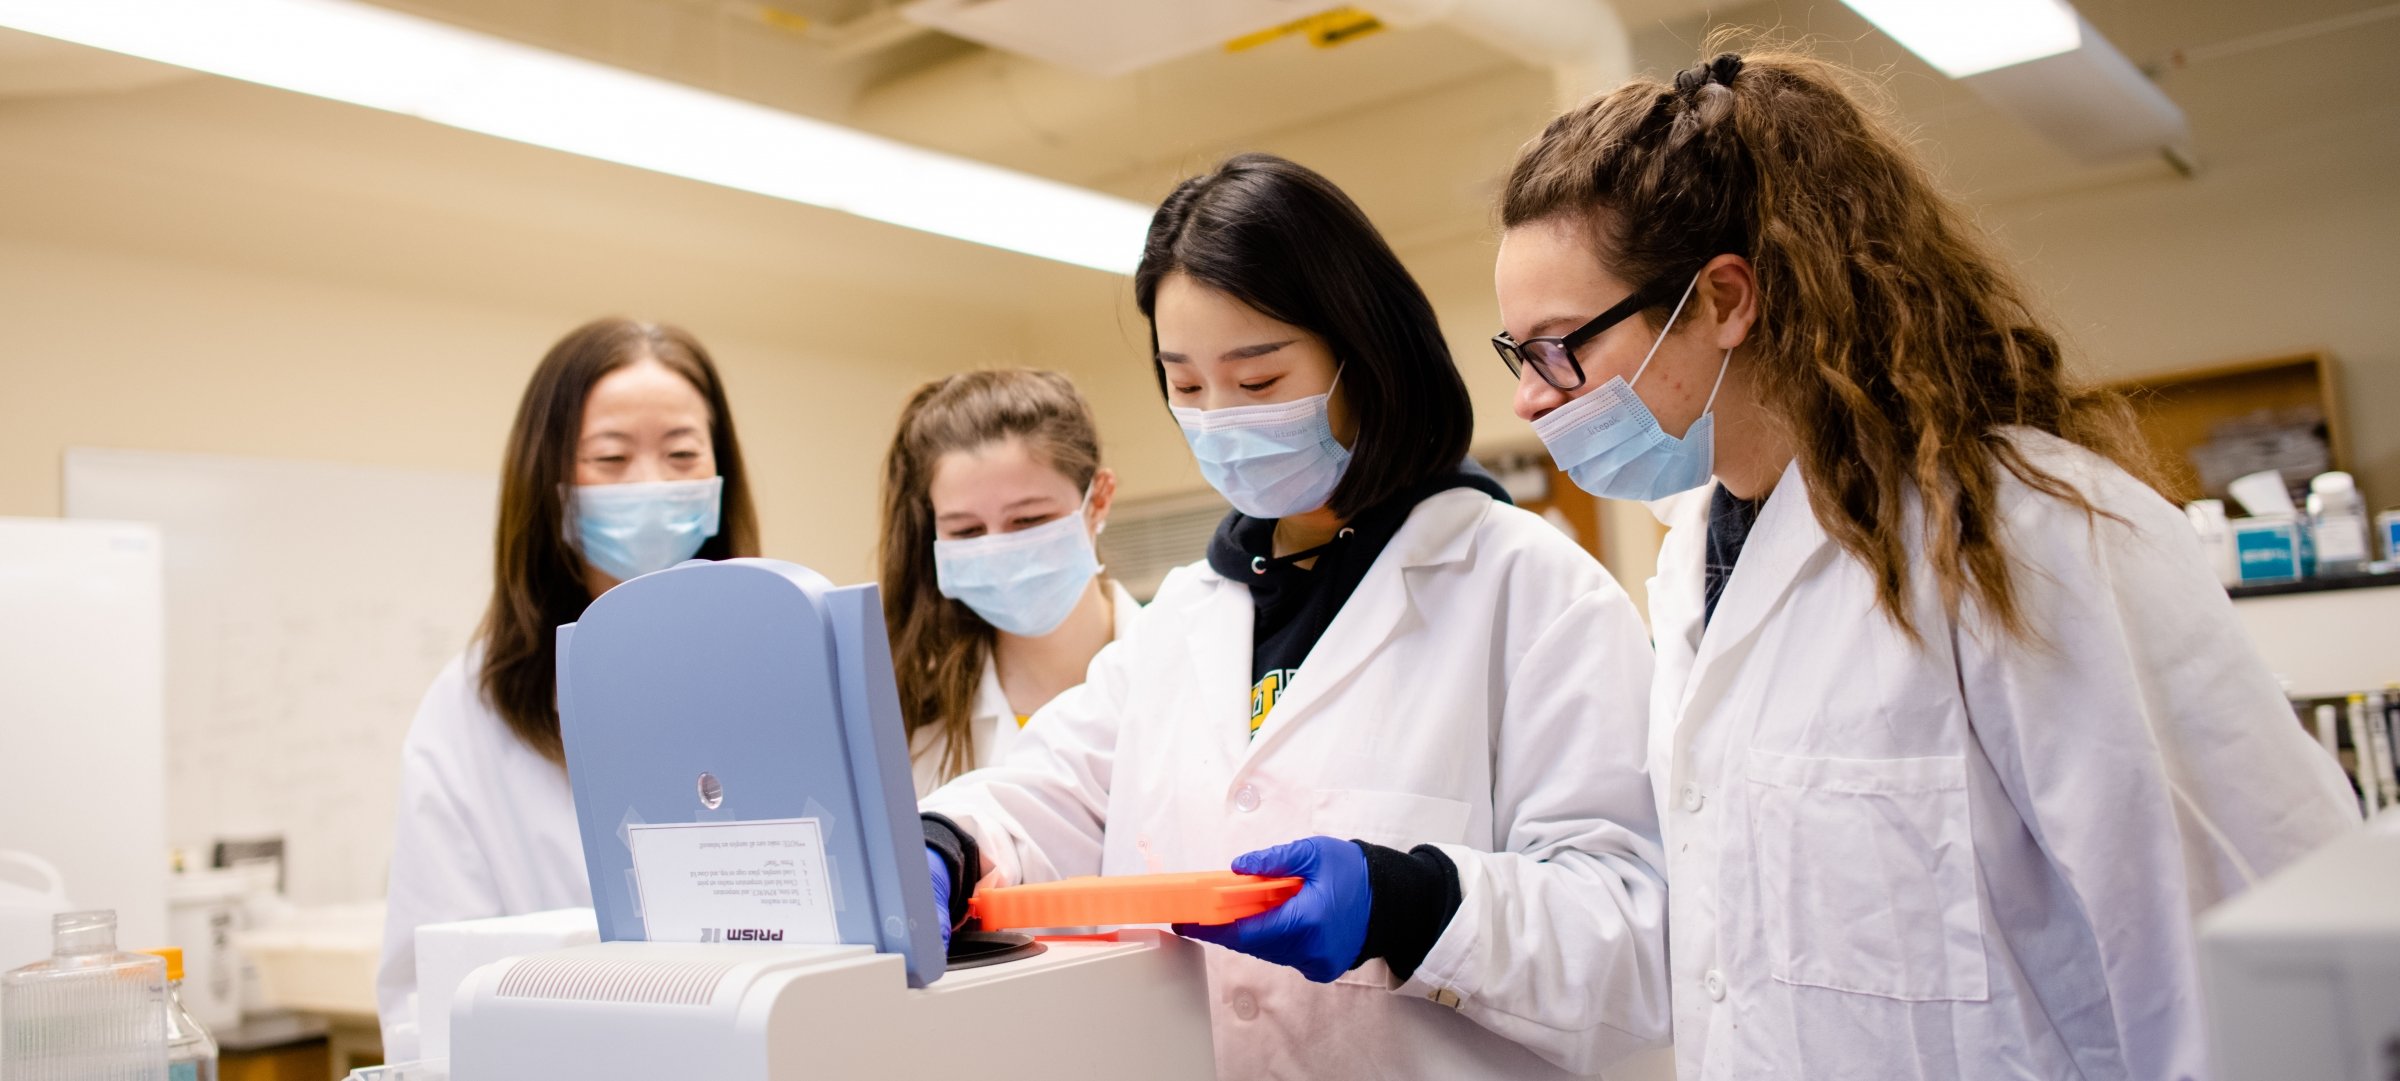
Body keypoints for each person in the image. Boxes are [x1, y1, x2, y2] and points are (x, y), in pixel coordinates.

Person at [1492, 48, 2360, 1081]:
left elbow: (2255, 933)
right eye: (1517, 356)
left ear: (1725, 300)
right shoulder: (1698, 567)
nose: (1530, 401)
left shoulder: (2028, 538)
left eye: (1557, 348)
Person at [917, 153, 1668, 1079]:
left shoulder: (1531, 592)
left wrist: (1414, 904)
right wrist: (947, 843)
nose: (1220, 416)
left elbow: (1636, 933)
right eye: (1185, 386)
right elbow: (1051, 791)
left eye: (1259, 379)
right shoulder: (1188, 617)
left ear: (1365, 355)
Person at [373, 318, 760, 1061]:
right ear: (550, 484)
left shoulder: (777, 664)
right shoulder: (470, 713)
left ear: (720, 475)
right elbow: (430, 990)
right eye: (610, 457)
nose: (650, 484)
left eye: (682, 453)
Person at [878, 369, 1143, 796]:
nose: (997, 549)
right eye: (966, 531)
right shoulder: (910, 720)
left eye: (1029, 520)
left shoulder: (1180, 669)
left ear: (1098, 500)